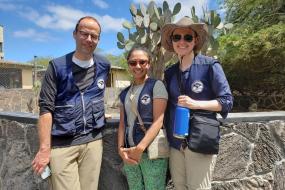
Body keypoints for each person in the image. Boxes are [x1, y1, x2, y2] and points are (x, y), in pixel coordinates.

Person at [32, 16, 110, 190]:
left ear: (98, 39)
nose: (89, 39)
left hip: (93, 143)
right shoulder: (57, 66)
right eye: (84, 33)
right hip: (62, 146)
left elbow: (96, 95)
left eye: (94, 36)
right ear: (75, 34)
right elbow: (46, 109)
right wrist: (45, 149)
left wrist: (99, 111)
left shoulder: (104, 65)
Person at [161, 16, 233, 190]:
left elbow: (227, 102)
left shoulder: (210, 66)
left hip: (200, 140)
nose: (182, 41)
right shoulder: (170, 72)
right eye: (177, 37)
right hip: (176, 142)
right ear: (172, 41)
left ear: (195, 40)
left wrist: (196, 104)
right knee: (179, 186)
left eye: (187, 37)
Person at [117, 47, 168, 190]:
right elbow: (122, 123)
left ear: (149, 64)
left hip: (151, 152)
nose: (137, 66)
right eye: (133, 63)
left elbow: (159, 120)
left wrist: (140, 148)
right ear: (128, 64)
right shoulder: (124, 93)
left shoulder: (156, 86)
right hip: (129, 152)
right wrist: (121, 149)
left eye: (142, 62)